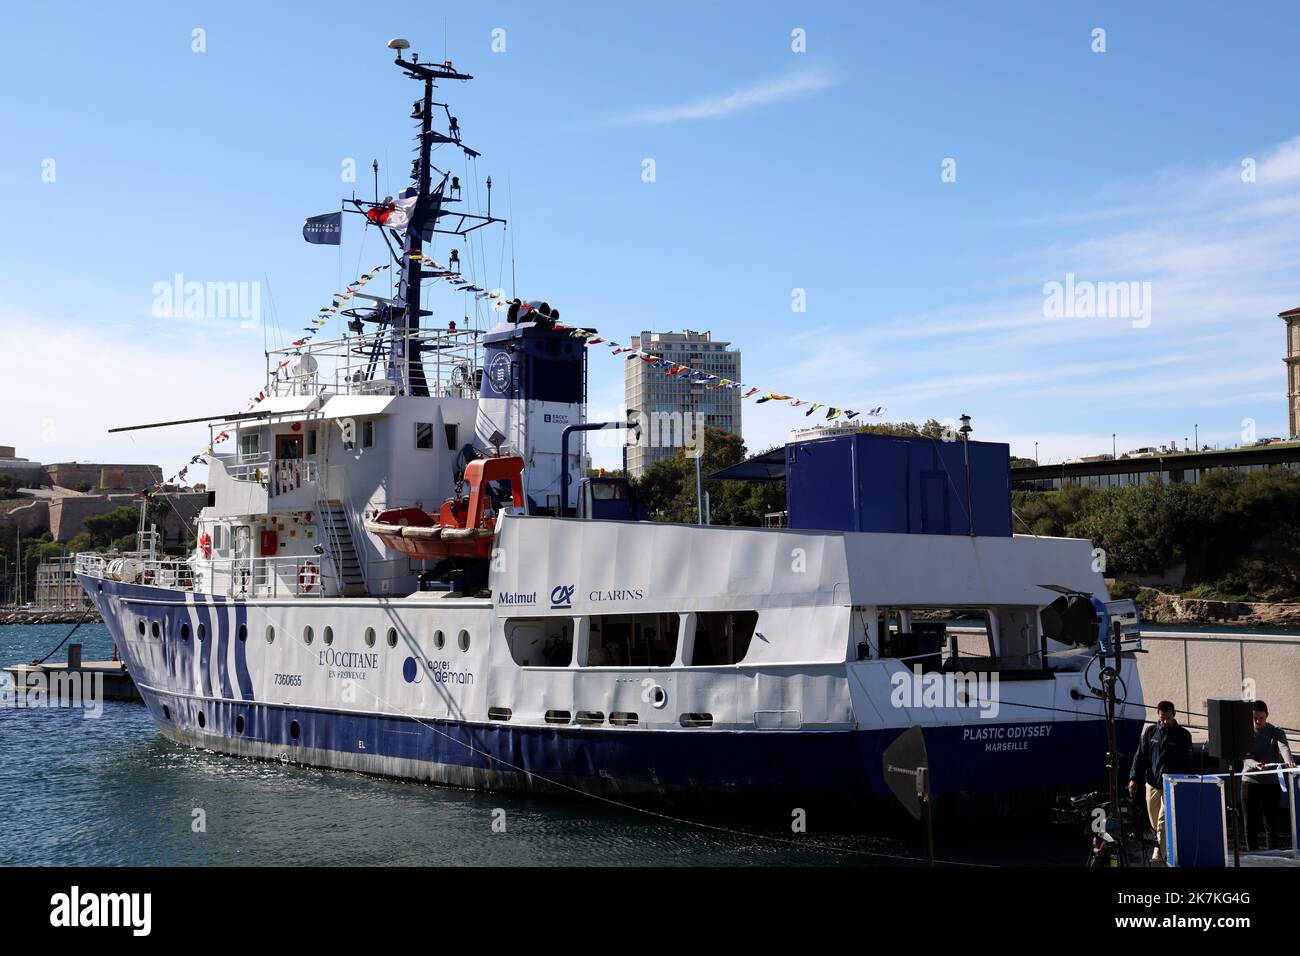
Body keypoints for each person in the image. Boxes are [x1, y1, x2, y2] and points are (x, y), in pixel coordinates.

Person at [1128, 701, 1194, 863]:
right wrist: (1133, 778)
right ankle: (1169, 849)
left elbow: (1188, 763)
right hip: (1152, 784)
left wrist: (1187, 783)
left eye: (1168, 718)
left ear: (1174, 714)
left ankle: (1158, 856)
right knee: (1154, 821)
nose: (1165, 721)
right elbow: (1140, 757)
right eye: (1163, 718)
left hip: (1171, 785)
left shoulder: (1183, 735)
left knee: (1162, 823)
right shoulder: (1150, 732)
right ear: (1158, 714)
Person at [1242, 700, 1296, 851]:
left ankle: (1273, 854)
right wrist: (1255, 764)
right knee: (1250, 824)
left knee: (1270, 823)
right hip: (1250, 782)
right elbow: (1245, 756)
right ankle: (1252, 854)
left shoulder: (1276, 731)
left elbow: (1284, 747)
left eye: (1261, 718)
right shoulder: (1245, 732)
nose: (1258, 721)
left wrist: (1289, 761)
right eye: (1255, 718)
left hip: (1271, 784)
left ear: (1267, 716)